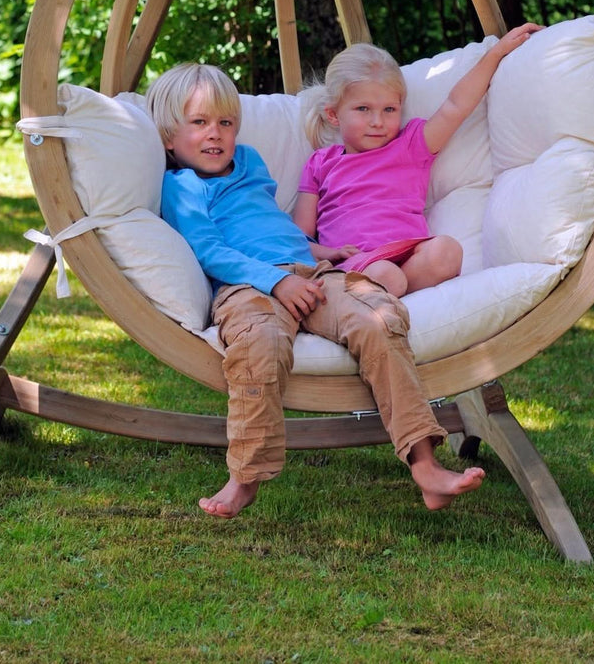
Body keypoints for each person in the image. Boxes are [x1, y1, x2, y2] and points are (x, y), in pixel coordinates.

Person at [149, 61, 485, 519]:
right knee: (260, 346)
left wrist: (320, 252)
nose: (216, 134)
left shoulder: (248, 160)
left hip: (313, 272)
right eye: (199, 123)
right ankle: (244, 476)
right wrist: (277, 280)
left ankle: (424, 463)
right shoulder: (181, 185)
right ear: (169, 136)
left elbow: (272, 225)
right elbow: (209, 251)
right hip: (247, 286)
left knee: (380, 319)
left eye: (226, 123)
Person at [294, 25, 542, 298]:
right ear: (333, 114)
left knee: (447, 250)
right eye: (363, 109)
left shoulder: (411, 144)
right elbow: (298, 237)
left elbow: (455, 106)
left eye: (389, 109)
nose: (377, 122)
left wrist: (496, 53)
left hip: (408, 255)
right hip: (351, 264)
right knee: (384, 274)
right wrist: (328, 254)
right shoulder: (321, 162)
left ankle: (388, 292)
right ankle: (374, 292)